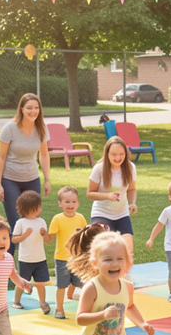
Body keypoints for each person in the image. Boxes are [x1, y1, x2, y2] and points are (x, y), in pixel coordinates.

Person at [0, 93, 52, 257]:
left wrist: (47, 180)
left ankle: (30, 262)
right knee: (16, 223)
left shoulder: (41, 128)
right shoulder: (10, 128)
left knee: (32, 220)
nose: (33, 111)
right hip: (10, 179)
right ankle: (7, 263)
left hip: (32, 179)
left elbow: (44, 155)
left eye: (36, 108)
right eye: (29, 108)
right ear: (21, 108)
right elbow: (1, 157)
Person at [87, 136, 138, 257]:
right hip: (101, 213)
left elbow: (131, 189)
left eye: (121, 154)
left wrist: (132, 203)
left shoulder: (130, 167)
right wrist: (108, 195)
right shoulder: (99, 168)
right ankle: (101, 274)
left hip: (121, 213)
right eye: (114, 154)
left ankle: (125, 275)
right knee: (105, 249)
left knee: (128, 248)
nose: (118, 158)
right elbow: (89, 193)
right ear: (107, 154)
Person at [47, 186, 87, 319]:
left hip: (77, 257)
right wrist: (43, 234)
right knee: (61, 285)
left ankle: (74, 297)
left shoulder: (80, 218)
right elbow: (49, 238)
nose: (71, 205)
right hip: (62, 258)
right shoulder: (57, 219)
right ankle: (59, 308)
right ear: (60, 203)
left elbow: (84, 235)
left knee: (79, 282)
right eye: (67, 202)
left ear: (78, 203)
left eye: (74, 201)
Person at [10, 191, 50, 312]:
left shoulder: (41, 221)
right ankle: (16, 301)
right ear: (29, 208)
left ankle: (42, 303)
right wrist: (25, 235)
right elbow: (14, 239)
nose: (40, 209)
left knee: (40, 283)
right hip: (25, 259)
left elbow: (48, 241)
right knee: (22, 282)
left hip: (40, 259)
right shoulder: (20, 223)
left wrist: (45, 234)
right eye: (37, 207)